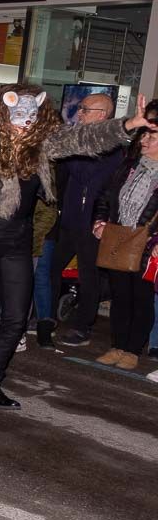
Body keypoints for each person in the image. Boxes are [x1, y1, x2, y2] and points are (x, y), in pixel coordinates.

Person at [0, 88, 150, 409]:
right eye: (16, 117)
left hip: (18, 238)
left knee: (16, 319)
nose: (23, 124)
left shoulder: (41, 146)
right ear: (3, 115)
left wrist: (128, 125)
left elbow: (84, 139)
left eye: (29, 117)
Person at [48, 92, 124, 348]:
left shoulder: (111, 147)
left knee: (88, 275)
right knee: (50, 268)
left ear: (102, 115)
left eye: (85, 109)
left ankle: (83, 327)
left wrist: (70, 151)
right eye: (80, 108)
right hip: (69, 217)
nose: (79, 112)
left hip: (92, 222)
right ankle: (46, 317)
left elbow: (88, 176)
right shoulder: (79, 140)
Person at [91, 126, 158, 370]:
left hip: (148, 243)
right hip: (119, 237)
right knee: (120, 295)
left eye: (151, 137)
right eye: (144, 135)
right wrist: (99, 221)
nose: (144, 140)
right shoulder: (129, 166)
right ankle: (116, 346)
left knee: (141, 298)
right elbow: (105, 196)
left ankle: (132, 350)